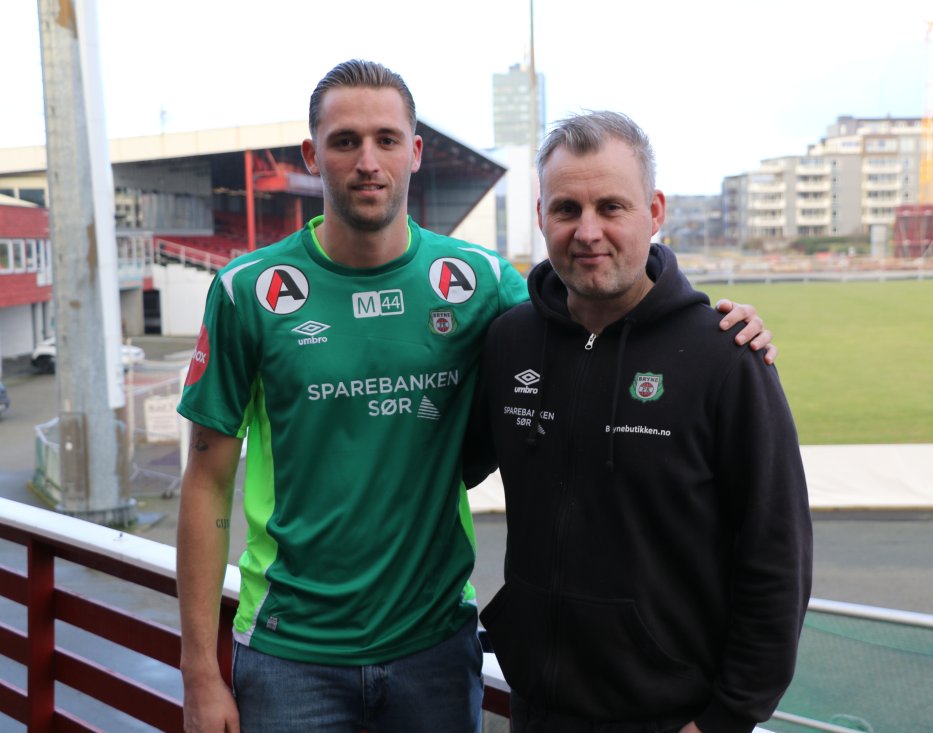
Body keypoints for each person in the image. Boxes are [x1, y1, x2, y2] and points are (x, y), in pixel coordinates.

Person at [175, 61, 776, 733]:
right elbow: (205, 482)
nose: (367, 161)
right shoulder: (246, 290)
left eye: (386, 139)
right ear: (313, 155)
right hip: (291, 653)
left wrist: (711, 324)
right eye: (345, 141)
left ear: (416, 152)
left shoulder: (482, 284)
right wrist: (199, 667)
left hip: (434, 644)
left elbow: (596, 303)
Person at [465, 111, 812, 733]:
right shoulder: (510, 342)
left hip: (672, 717)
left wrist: (727, 719)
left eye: (612, 207)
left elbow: (776, 555)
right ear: (542, 215)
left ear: (654, 212)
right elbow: (450, 463)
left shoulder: (725, 357)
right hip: (538, 710)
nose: (588, 231)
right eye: (567, 209)